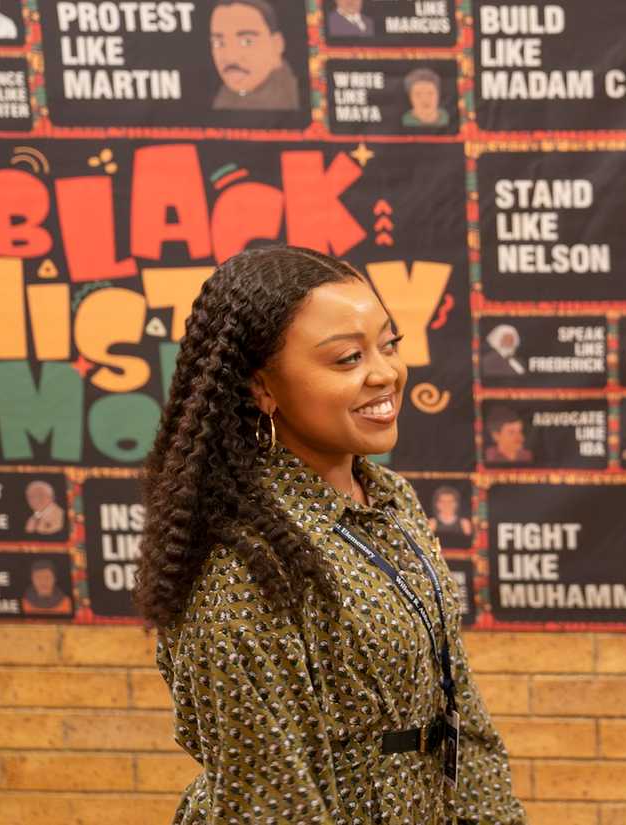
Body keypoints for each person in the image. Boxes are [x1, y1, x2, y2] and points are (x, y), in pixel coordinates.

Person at [134, 245, 525, 824]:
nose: (386, 372)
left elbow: (455, 698)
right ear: (262, 387)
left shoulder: (392, 499)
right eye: (346, 358)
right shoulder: (245, 563)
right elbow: (271, 800)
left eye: (388, 344)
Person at [211, 0, 299, 111]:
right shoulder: (225, 99)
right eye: (219, 43)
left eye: (247, 41)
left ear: (277, 45)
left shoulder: (293, 99)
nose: (230, 57)